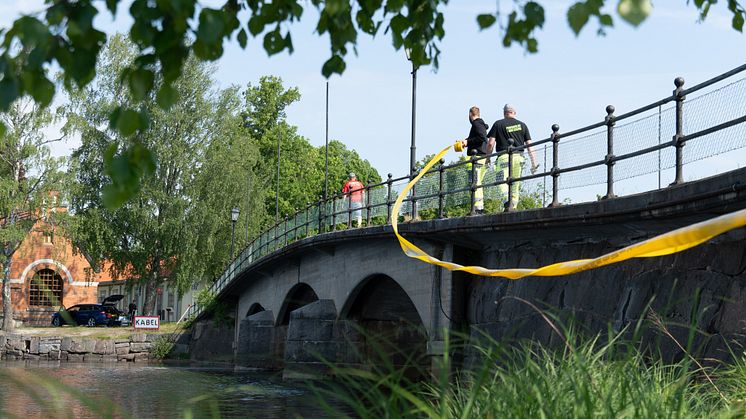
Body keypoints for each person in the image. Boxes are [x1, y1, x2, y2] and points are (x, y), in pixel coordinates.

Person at [487, 104, 539, 209]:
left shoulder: (498, 124)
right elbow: (530, 146)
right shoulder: (522, 125)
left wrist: (488, 158)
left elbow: (490, 143)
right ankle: (513, 206)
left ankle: (507, 201)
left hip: (503, 158)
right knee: (515, 184)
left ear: (504, 113)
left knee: (501, 181)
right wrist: (534, 163)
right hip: (519, 158)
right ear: (514, 113)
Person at [459, 106, 489, 214]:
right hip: (481, 157)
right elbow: (480, 137)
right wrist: (465, 141)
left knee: (474, 183)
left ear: (470, 114)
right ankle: (479, 208)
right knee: (477, 183)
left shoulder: (476, 124)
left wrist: (468, 142)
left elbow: (482, 137)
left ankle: (476, 209)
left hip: (477, 158)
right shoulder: (480, 124)